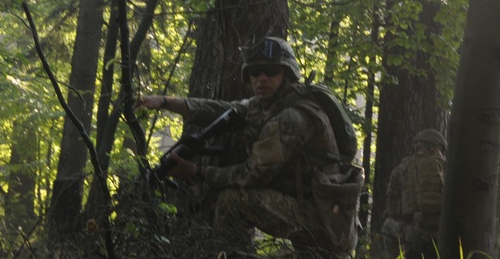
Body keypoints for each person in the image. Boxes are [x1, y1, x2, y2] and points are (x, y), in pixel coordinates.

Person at [137, 37, 359, 258]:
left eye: (271, 71)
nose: (262, 78)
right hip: (316, 213)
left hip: (323, 223)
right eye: (255, 72)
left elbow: (251, 175)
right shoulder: (270, 104)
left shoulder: (291, 117)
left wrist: (198, 173)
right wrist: (165, 102)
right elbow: (221, 110)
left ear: (287, 74)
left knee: (232, 202)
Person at [381, 129, 446, 259]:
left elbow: (392, 209)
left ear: (417, 146)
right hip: (447, 235)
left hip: (418, 234)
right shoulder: (448, 167)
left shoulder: (401, 169)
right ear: (439, 148)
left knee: (387, 226)